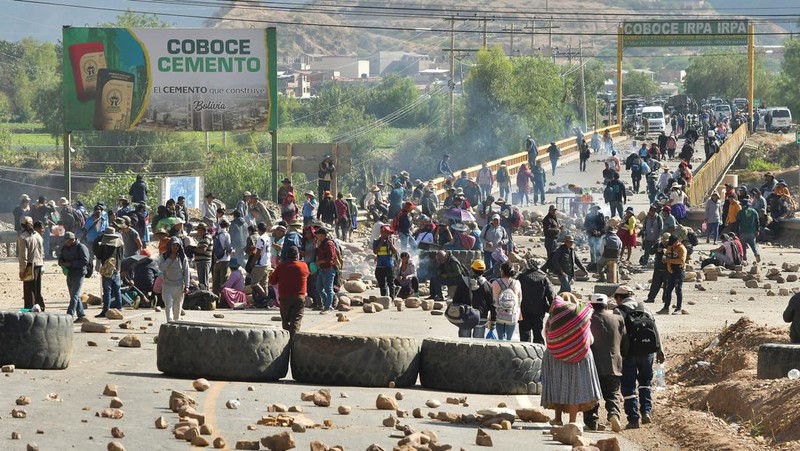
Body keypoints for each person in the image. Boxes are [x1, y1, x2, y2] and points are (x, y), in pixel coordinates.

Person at [541, 292, 602, 425]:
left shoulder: (551, 317)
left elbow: (546, 335)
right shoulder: (582, 316)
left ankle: (557, 419)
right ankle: (572, 421)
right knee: (574, 388)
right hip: (580, 357)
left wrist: (562, 344)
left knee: (557, 385)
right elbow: (590, 339)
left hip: (555, 357)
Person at [613, 285, 665, 429]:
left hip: (628, 354)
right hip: (648, 352)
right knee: (645, 383)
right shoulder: (645, 308)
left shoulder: (619, 310)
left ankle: (633, 419)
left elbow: (617, 334)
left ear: (619, 298)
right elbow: (655, 329)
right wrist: (659, 350)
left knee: (629, 387)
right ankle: (646, 411)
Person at [582, 293, 626, 432]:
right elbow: (624, 341)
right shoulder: (618, 318)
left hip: (592, 364)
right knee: (613, 393)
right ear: (606, 304)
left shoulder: (587, 320)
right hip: (614, 363)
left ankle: (591, 422)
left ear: (592, 305)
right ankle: (614, 414)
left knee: (591, 394)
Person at [269, 245, 310, 337]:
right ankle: (293, 340)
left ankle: (286, 341)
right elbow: (307, 275)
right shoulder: (303, 266)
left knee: (285, 321)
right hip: (299, 297)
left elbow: (272, 281)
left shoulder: (281, 266)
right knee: (295, 321)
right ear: (298, 255)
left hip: (284, 297)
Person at [517, 258, 554, 344]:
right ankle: (540, 354)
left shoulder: (521, 277)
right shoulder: (544, 278)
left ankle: (525, 354)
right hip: (539, 310)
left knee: (524, 335)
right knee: (538, 334)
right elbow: (551, 295)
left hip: (524, 309)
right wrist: (553, 309)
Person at [58, 231, 89, 322]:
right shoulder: (65, 247)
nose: (65, 243)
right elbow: (61, 257)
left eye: (66, 242)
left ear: (72, 240)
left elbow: (85, 262)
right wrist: (61, 262)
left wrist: (71, 264)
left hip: (79, 273)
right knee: (74, 295)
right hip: (70, 273)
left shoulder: (81, 247)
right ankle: (81, 315)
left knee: (74, 295)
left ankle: (69, 315)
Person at [159, 236, 190, 321]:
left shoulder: (182, 257)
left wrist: (187, 286)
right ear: (170, 246)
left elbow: (186, 272)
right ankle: (169, 322)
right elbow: (161, 268)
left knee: (177, 306)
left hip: (179, 285)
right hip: (167, 285)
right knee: (168, 304)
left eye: (177, 246)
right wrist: (169, 260)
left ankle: (176, 323)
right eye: (173, 245)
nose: (175, 248)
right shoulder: (164, 256)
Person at [95, 227, 124, 317]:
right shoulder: (120, 243)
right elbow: (122, 256)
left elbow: (99, 255)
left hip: (107, 269)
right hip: (117, 268)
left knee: (107, 290)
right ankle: (119, 308)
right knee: (117, 289)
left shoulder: (104, 244)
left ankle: (106, 310)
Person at [489, 262, 522, 340]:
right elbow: (520, 299)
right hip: (512, 315)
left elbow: (492, 300)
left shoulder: (495, 283)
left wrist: (491, 317)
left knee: (500, 338)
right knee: (509, 339)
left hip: (499, 315)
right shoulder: (516, 283)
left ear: (502, 271)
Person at [18, 216, 44, 311]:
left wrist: (22, 271)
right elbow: (42, 251)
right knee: (37, 288)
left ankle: (30, 309)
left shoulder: (23, 237)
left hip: (29, 266)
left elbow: (23, 257)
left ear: (22, 225)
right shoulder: (37, 235)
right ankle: (40, 306)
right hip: (39, 264)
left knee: (29, 290)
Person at [658, 235, 686, 315]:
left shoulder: (681, 248)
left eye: (672, 243)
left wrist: (669, 260)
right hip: (671, 271)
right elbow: (666, 254)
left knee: (678, 290)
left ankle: (678, 308)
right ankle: (666, 308)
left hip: (679, 271)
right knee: (668, 290)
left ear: (677, 242)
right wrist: (664, 258)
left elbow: (681, 260)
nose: (671, 245)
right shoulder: (670, 247)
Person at [315, 227, 338, 314]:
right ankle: (328, 303)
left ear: (322, 235)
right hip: (322, 269)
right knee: (319, 288)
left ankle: (328, 307)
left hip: (329, 269)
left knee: (328, 289)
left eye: (318, 235)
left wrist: (320, 261)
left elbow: (330, 258)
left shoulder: (328, 244)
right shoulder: (321, 243)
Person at [373, 225, 398, 299]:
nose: (388, 235)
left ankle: (392, 297)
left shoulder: (391, 241)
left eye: (388, 233)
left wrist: (391, 245)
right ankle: (384, 298)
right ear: (382, 233)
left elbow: (394, 252)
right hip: (380, 266)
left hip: (389, 265)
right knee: (382, 284)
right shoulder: (376, 241)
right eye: (386, 233)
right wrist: (381, 243)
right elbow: (375, 251)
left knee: (391, 283)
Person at [736, 196, 761, 263]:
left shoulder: (740, 212)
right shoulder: (754, 211)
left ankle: (744, 258)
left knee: (743, 246)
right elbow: (757, 221)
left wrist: (737, 232)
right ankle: (756, 253)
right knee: (753, 245)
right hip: (752, 232)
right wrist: (757, 230)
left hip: (743, 231)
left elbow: (737, 223)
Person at [212, 219, 232, 296]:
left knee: (215, 281)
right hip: (225, 260)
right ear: (227, 226)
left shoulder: (216, 235)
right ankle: (222, 299)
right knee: (223, 281)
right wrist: (232, 251)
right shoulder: (227, 235)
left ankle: (215, 298)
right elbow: (228, 248)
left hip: (217, 259)